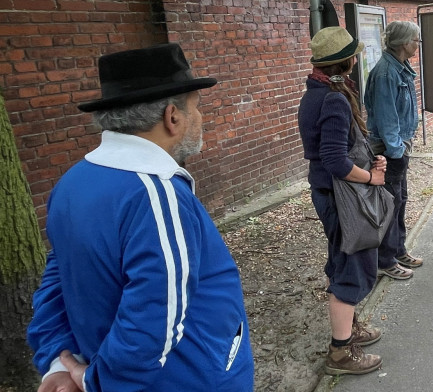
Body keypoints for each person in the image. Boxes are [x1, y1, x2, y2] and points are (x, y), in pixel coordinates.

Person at [26, 43, 253, 391]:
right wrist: (99, 380)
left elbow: (58, 279)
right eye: (197, 107)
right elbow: (154, 314)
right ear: (172, 116)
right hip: (186, 377)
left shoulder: (71, 183)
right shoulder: (156, 193)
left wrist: (58, 359)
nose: (200, 117)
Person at [297, 27, 388, 376]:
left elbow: (333, 151)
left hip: (328, 194)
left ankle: (350, 327)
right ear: (347, 62)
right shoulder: (334, 98)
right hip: (341, 197)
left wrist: (369, 160)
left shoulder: (315, 92)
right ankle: (340, 352)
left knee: (342, 257)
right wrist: (372, 177)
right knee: (350, 265)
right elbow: (335, 160)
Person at [364, 21, 423, 281]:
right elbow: (388, 119)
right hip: (389, 151)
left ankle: (398, 250)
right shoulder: (387, 73)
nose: (418, 44)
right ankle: (385, 261)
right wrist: (397, 152)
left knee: (400, 201)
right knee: (390, 205)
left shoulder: (400, 67)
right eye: (415, 39)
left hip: (398, 148)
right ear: (402, 43)